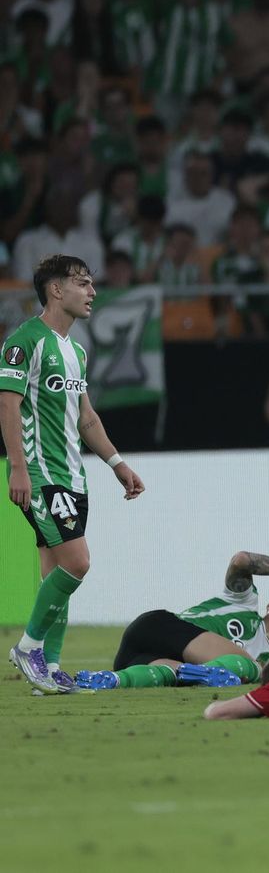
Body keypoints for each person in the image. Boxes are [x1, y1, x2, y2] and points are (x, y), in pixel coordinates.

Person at [4, 255, 145, 694]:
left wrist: (117, 462)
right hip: (42, 474)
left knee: (55, 576)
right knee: (78, 563)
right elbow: (7, 403)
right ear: (56, 290)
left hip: (73, 476)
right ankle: (28, 648)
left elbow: (86, 419)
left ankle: (48, 666)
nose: (93, 293)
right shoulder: (24, 341)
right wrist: (18, 468)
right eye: (83, 283)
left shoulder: (76, 351)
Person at [75, 551, 269, 689]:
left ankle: (109, 680)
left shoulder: (263, 660)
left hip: (137, 662)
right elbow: (242, 560)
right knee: (252, 669)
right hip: (158, 628)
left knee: (167, 676)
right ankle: (198, 675)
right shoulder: (243, 603)